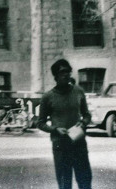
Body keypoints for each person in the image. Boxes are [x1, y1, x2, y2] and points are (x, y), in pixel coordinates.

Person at [37, 59, 93, 189]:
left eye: (68, 72)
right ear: (55, 76)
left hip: (79, 143)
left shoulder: (78, 91)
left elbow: (87, 114)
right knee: (64, 183)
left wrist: (83, 123)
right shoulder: (48, 97)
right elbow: (40, 123)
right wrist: (55, 129)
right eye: (62, 72)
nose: (66, 75)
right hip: (60, 145)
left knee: (85, 181)